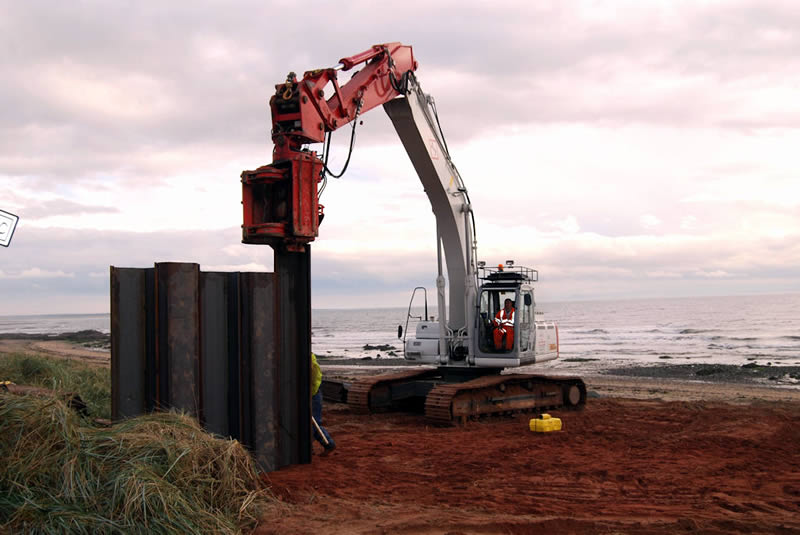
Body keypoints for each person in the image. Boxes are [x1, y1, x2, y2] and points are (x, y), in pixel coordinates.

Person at [311, 352, 336, 453]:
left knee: (314, 423)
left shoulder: (309, 360)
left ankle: (328, 443)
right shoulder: (309, 357)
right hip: (314, 391)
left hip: (313, 393)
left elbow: (313, 376)